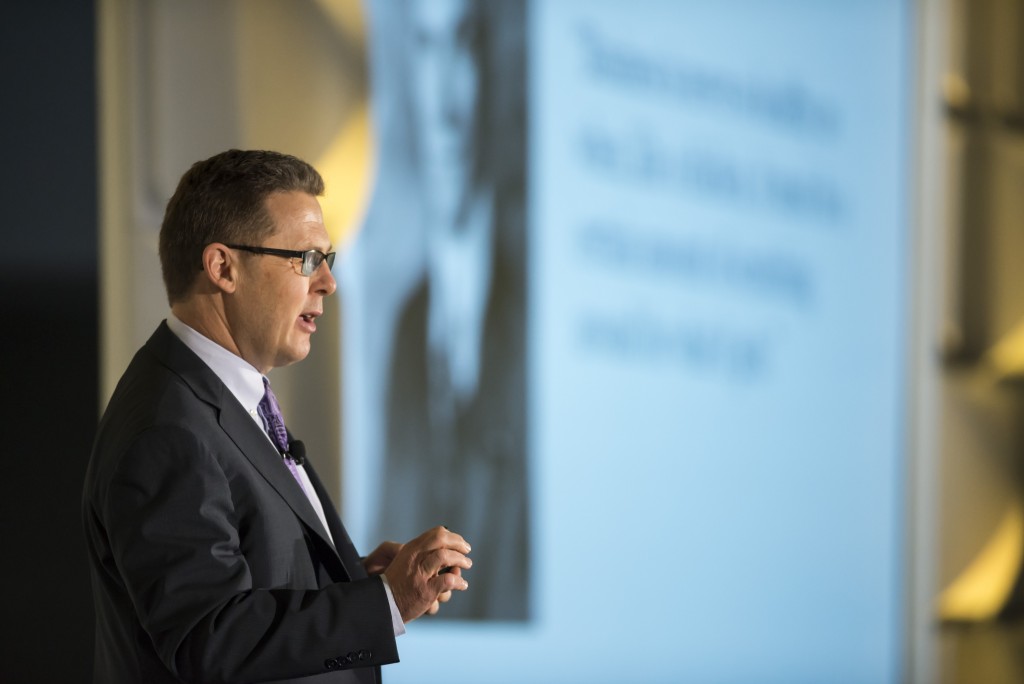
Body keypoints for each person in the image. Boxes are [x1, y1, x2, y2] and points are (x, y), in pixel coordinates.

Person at [82, 149, 471, 684]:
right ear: (223, 268)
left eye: (328, 259)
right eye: (307, 259)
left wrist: (350, 581)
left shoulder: (223, 399)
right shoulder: (167, 429)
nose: (328, 282)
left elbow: (246, 587)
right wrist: (385, 603)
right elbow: (210, 639)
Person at [346, 0, 527, 620]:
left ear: (495, 65)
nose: (446, 103)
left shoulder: (534, 324)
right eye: (428, 48)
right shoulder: (405, 334)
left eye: (465, 45)